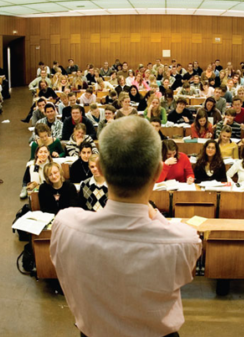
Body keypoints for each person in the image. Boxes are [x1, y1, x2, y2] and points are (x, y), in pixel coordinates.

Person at [50, 115, 201, 337]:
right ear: (159, 171)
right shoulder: (184, 241)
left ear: (99, 167)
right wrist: (154, 213)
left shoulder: (65, 226)